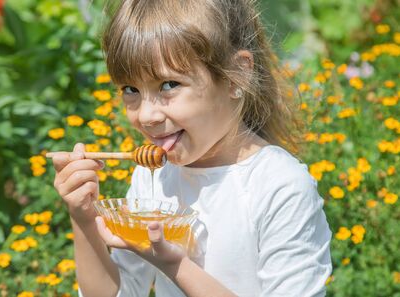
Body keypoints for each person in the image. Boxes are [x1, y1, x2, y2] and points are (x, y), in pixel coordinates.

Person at [51, 0, 332, 296]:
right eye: (130, 90)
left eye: (169, 84)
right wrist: (83, 220)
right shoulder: (153, 177)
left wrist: (176, 266)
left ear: (237, 75)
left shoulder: (279, 186)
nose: (146, 116)